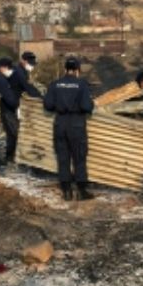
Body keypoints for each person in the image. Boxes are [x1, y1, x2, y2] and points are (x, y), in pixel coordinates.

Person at [44, 57, 95, 201]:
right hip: (76, 124)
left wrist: (60, 106)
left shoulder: (55, 84)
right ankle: (81, 191)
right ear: (77, 71)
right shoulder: (82, 84)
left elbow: (47, 105)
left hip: (60, 123)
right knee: (79, 157)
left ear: (65, 69)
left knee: (63, 158)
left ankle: (66, 191)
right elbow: (86, 106)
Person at [5, 51, 42, 165]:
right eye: (30, 63)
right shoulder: (18, 72)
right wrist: (41, 97)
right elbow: (27, 87)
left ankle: (12, 156)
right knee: (13, 132)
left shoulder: (23, 71)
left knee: (14, 131)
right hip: (8, 105)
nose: (32, 66)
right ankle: (10, 157)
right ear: (23, 61)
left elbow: (28, 87)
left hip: (15, 104)